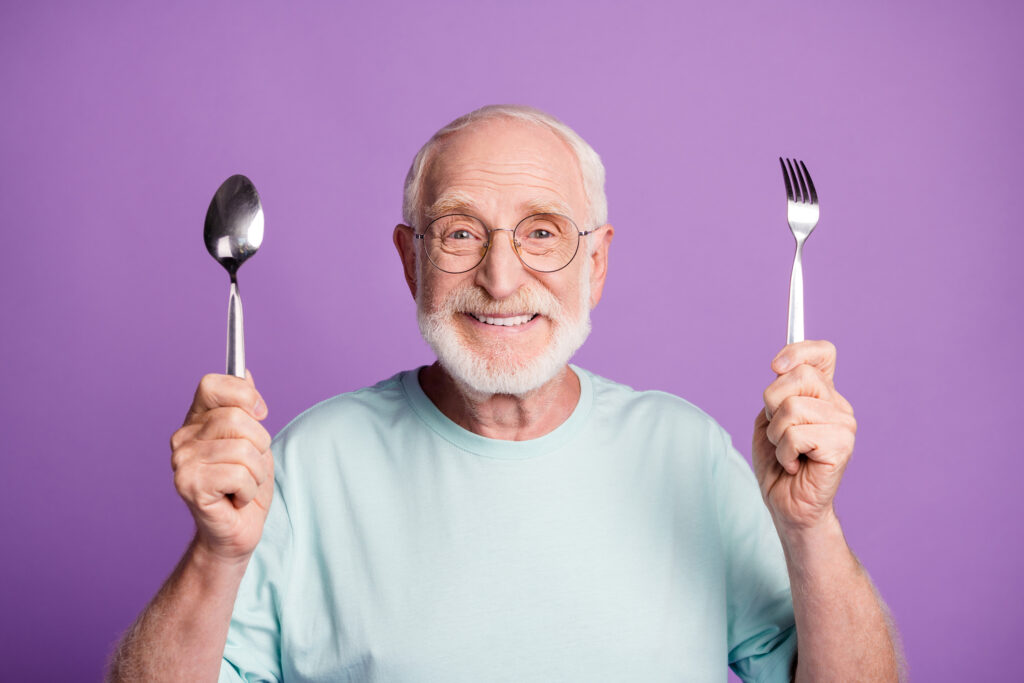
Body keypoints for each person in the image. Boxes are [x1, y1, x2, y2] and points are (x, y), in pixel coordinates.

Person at [109, 105, 903, 682]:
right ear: (411, 260)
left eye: (542, 232)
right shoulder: (311, 464)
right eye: (459, 232)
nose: (499, 275)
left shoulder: (685, 451)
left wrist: (811, 528)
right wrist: (216, 555)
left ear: (595, 263)